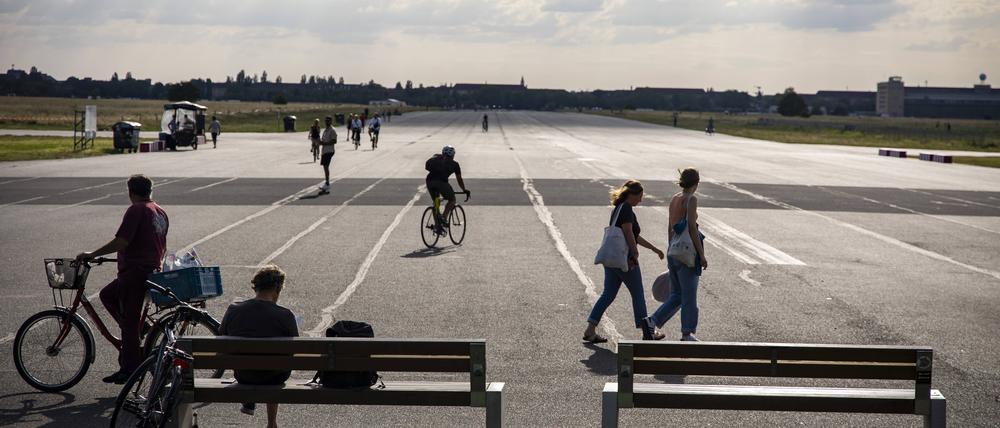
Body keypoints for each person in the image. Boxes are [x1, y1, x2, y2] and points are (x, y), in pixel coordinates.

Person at [76, 175, 168, 383]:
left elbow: (122, 241)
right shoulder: (159, 211)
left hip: (134, 273)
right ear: (150, 190)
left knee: (129, 324)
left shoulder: (136, 210)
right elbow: (161, 244)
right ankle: (139, 332)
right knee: (107, 295)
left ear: (130, 192)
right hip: (150, 270)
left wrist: (93, 254)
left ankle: (130, 369)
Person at [584, 180, 665, 343]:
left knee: (608, 295)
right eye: (640, 196)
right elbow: (628, 232)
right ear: (632, 194)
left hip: (612, 259)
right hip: (625, 260)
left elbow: (634, 235)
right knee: (638, 294)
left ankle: (590, 330)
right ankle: (648, 332)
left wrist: (653, 248)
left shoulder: (618, 208)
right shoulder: (627, 208)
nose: (641, 200)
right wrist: (634, 253)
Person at [219, 265, 298, 428]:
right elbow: (294, 350)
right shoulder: (285, 315)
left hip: (244, 374)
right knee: (275, 362)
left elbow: (221, 340)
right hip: (275, 376)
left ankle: (250, 400)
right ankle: (271, 423)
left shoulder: (234, 310)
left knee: (251, 360)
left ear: (256, 287)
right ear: (277, 288)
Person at [644, 168, 707, 341]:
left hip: (674, 250)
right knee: (689, 297)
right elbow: (692, 228)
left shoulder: (675, 199)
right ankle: (687, 333)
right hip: (687, 253)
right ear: (696, 183)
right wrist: (701, 254)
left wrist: (670, 247)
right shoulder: (691, 199)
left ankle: (652, 321)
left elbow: (670, 226)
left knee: (677, 294)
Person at [425, 145, 468, 234]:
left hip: (429, 182)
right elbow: (459, 179)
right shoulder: (455, 164)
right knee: (452, 199)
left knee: (436, 202)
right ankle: (443, 218)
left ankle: (438, 227)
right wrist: (464, 189)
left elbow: (427, 167)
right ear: (453, 155)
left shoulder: (436, 157)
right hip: (441, 183)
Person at [319, 116, 337, 193]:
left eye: (328, 121)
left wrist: (325, 143)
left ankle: (327, 184)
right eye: (326, 121)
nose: (327, 122)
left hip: (329, 150)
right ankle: (327, 183)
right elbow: (323, 139)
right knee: (325, 167)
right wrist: (320, 142)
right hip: (324, 150)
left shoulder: (332, 130)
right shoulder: (325, 130)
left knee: (326, 166)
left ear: (331, 121)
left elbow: (334, 141)